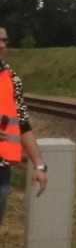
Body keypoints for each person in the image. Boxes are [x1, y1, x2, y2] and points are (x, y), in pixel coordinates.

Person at [0, 27, 49, 226]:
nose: (2, 45)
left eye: (4, 40)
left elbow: (22, 124)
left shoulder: (12, 79)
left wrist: (39, 165)